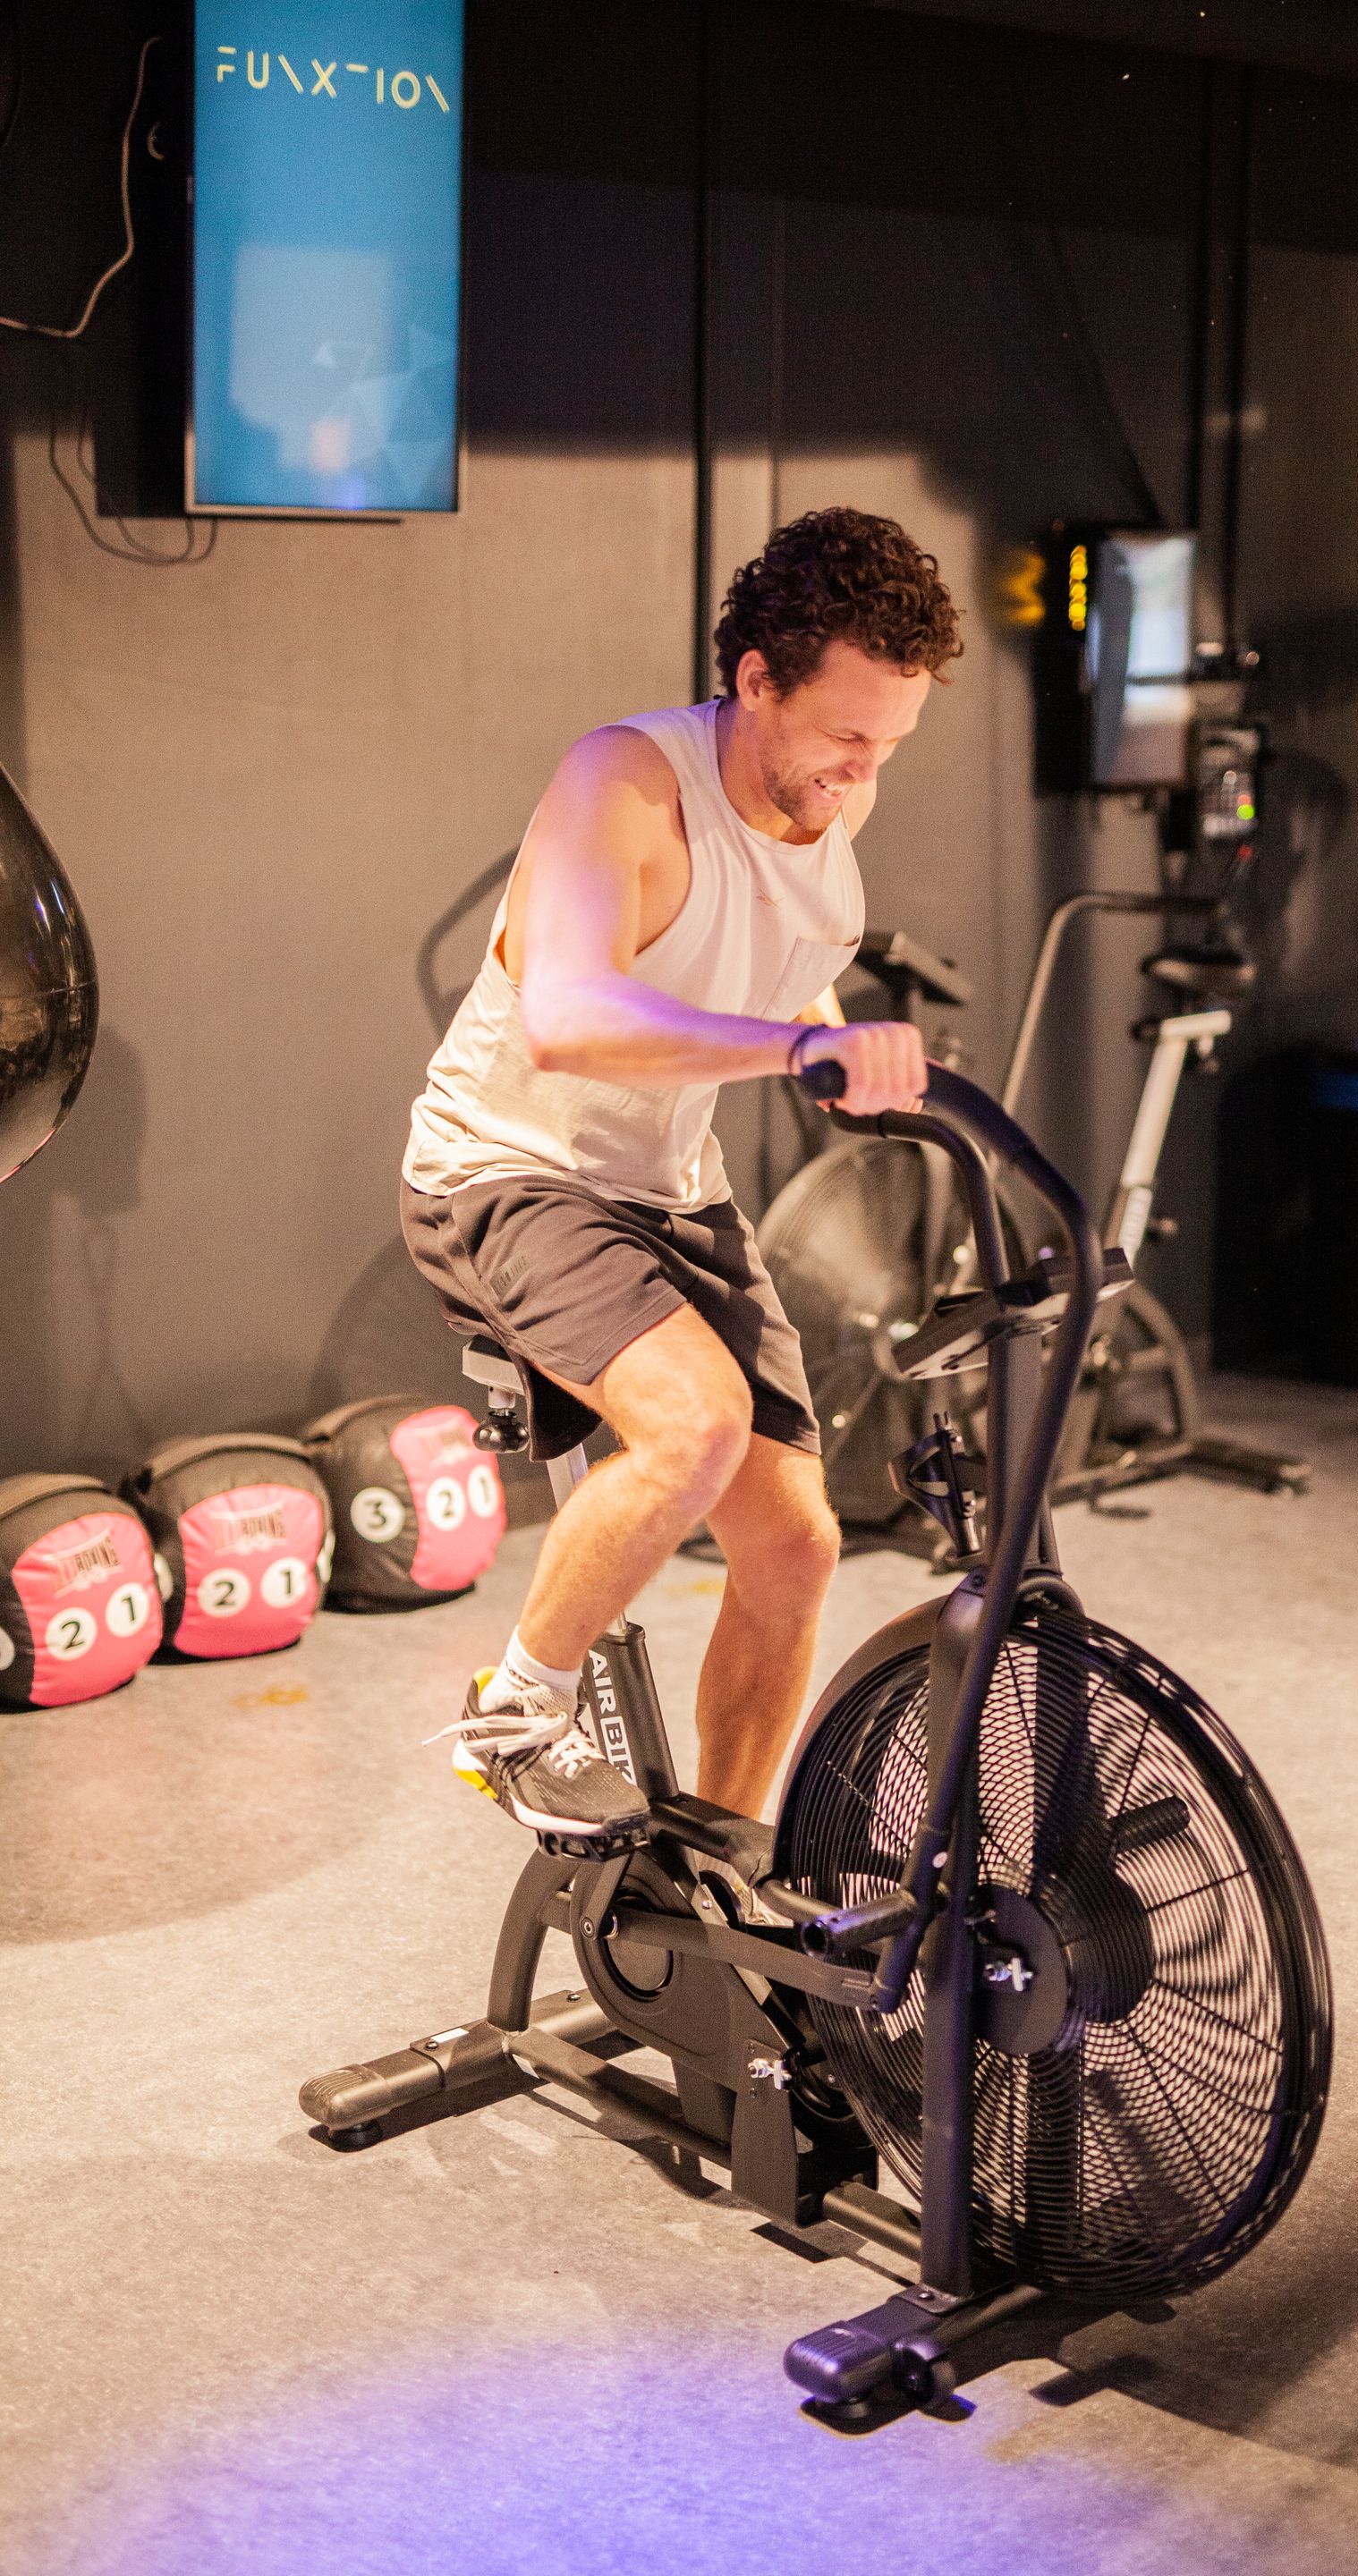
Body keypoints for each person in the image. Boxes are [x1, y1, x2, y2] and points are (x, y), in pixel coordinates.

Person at [401, 506, 963, 1841]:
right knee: (697, 1426)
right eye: (845, 736)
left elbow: (784, 940)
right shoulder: (622, 785)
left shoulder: (836, 789)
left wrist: (843, 1046)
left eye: (891, 744)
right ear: (756, 679)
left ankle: (723, 1858)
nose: (864, 772)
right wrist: (798, 1050)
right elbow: (571, 1018)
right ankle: (513, 1713)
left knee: (798, 1546)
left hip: (669, 1189)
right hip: (509, 1173)